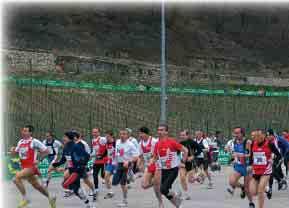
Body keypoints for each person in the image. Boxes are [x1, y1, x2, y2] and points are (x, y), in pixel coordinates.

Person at [10, 125, 56, 208]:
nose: (23, 132)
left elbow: (47, 151)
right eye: (23, 130)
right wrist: (13, 150)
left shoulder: (34, 141)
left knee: (16, 178)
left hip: (31, 167)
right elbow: (16, 152)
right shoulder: (20, 142)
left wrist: (39, 159)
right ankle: (51, 198)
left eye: (26, 131)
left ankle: (25, 199)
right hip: (24, 167)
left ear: (30, 132)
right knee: (37, 186)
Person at [149, 124, 188, 208]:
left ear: (166, 132)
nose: (159, 132)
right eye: (158, 130)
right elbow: (155, 157)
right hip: (164, 170)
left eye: (162, 130)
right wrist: (151, 162)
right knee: (165, 191)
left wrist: (182, 162)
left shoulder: (172, 142)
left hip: (173, 170)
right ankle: (178, 204)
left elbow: (185, 150)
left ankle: (177, 195)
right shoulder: (157, 144)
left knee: (163, 189)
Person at [51, 131, 91, 208]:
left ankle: (77, 190)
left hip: (77, 170)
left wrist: (81, 164)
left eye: (65, 137)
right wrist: (53, 165)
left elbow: (87, 156)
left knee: (65, 184)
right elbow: (63, 160)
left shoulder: (76, 146)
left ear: (69, 138)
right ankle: (88, 204)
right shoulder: (66, 148)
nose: (63, 138)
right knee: (76, 191)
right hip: (71, 170)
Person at [249, 129, 281, 208]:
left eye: (259, 135)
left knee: (260, 191)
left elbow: (278, 155)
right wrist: (249, 165)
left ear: (263, 135)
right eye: (256, 136)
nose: (257, 137)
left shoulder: (270, 144)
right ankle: (267, 189)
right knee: (252, 191)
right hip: (256, 170)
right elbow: (251, 155)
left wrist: (274, 161)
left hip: (266, 170)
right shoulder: (253, 143)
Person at [227, 127, 255, 208]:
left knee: (247, 189)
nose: (235, 135)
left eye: (237, 133)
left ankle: (251, 203)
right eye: (234, 133)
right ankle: (241, 187)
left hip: (247, 167)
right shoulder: (234, 142)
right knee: (232, 182)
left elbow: (250, 155)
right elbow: (233, 153)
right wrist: (232, 155)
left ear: (242, 133)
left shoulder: (248, 142)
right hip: (238, 166)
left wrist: (241, 155)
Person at [137, 126, 163, 208]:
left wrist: (154, 157)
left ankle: (160, 203)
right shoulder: (140, 144)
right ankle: (158, 182)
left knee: (156, 188)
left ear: (146, 134)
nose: (140, 135)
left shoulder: (154, 141)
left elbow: (161, 153)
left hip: (157, 165)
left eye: (142, 133)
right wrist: (139, 164)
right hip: (149, 166)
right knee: (144, 185)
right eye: (139, 133)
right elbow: (140, 157)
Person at [112, 129, 139, 207]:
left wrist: (129, 161)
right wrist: (115, 163)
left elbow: (136, 156)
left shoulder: (130, 144)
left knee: (123, 184)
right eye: (120, 134)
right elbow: (117, 153)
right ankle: (133, 177)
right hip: (119, 164)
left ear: (127, 135)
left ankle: (125, 201)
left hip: (127, 165)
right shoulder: (117, 142)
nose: (122, 135)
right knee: (114, 182)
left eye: (124, 134)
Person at [178, 130, 201, 200]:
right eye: (181, 135)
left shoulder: (192, 142)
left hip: (191, 164)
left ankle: (196, 177)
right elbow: (177, 153)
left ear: (187, 135)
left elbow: (200, 150)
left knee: (190, 180)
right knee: (182, 177)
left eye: (183, 135)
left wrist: (193, 156)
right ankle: (186, 194)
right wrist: (179, 161)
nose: (182, 136)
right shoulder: (180, 143)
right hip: (183, 163)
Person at [266, 129, 288, 198]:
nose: (268, 137)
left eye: (269, 135)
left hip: (281, 155)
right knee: (274, 171)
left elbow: (286, 146)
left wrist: (284, 156)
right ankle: (280, 181)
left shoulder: (278, 140)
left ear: (273, 135)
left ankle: (275, 184)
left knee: (273, 171)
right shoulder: (269, 140)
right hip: (274, 156)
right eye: (267, 135)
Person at [91, 128, 107, 192]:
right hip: (97, 160)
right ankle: (96, 188)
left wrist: (103, 155)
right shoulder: (93, 140)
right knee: (94, 174)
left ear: (99, 133)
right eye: (93, 132)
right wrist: (90, 156)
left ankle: (108, 184)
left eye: (96, 132)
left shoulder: (102, 139)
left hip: (104, 160)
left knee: (103, 175)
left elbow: (107, 147)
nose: (94, 134)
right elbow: (94, 151)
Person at [103, 130, 116, 199]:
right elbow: (106, 152)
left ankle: (130, 176)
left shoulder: (116, 143)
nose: (106, 138)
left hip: (117, 163)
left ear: (111, 136)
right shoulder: (107, 143)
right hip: (110, 163)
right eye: (106, 136)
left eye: (108, 136)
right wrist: (100, 155)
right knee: (106, 177)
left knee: (119, 179)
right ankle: (110, 192)